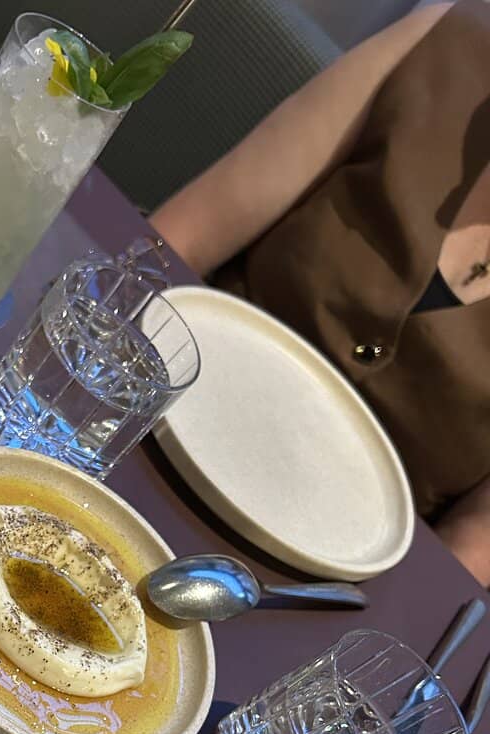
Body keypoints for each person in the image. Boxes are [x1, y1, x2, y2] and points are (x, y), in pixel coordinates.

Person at [150, 0, 490, 584]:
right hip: (159, 409)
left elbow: (472, 546)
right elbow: (187, 235)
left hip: (327, 582)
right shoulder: (446, 36)